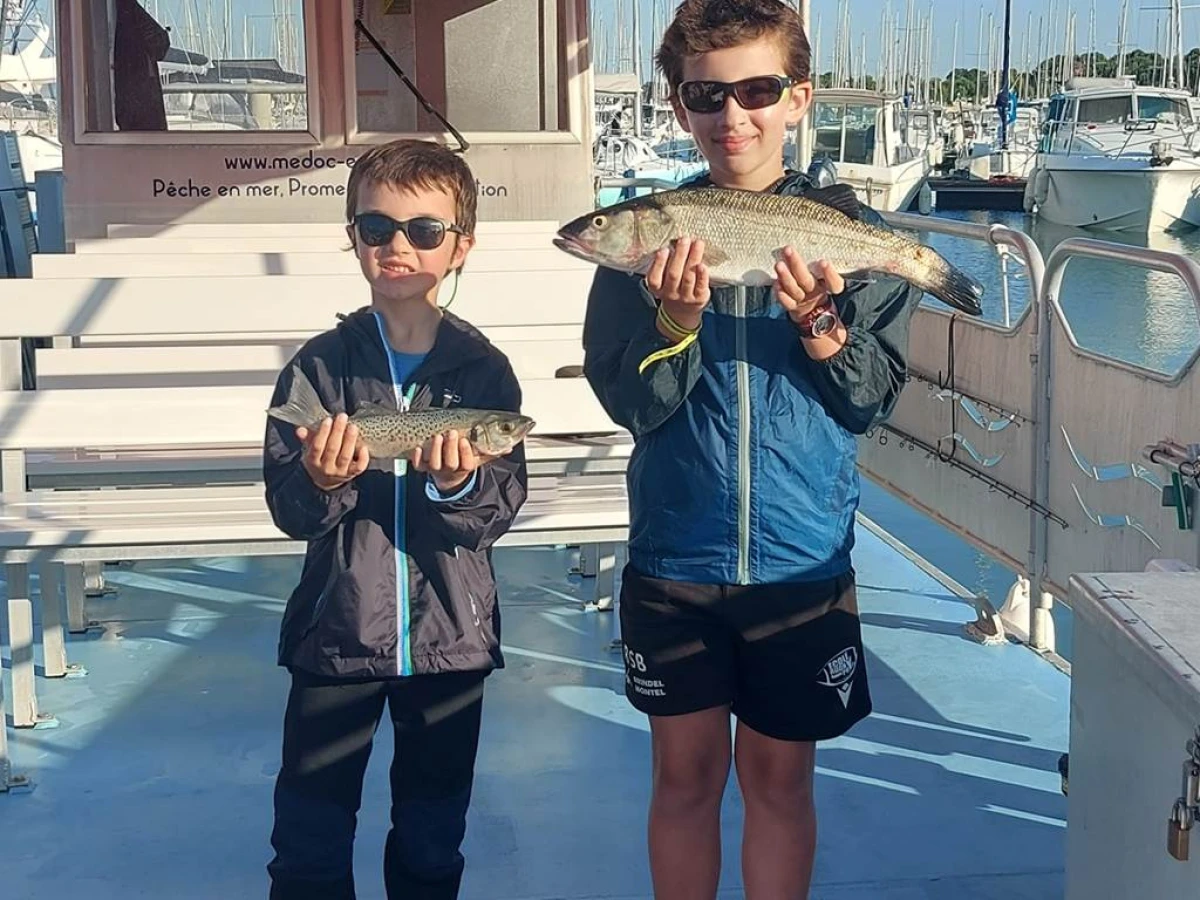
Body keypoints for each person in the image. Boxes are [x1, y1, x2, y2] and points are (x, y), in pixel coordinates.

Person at [581, 2, 921, 898]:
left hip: (801, 559)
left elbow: (869, 403)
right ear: (679, 105)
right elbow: (631, 404)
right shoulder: (643, 237)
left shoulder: (851, 233)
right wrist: (674, 320)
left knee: (779, 781)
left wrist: (818, 321)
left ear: (798, 99)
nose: (733, 115)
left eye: (758, 90)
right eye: (706, 94)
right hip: (675, 558)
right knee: (683, 780)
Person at [262, 139, 529, 900]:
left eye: (423, 230)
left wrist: (454, 487)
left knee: (432, 843)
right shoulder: (317, 368)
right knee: (308, 847)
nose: (397, 247)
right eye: (377, 228)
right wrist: (321, 480)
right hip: (335, 637)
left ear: (461, 246)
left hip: (451, 643)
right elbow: (290, 507)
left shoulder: (485, 372)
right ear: (353, 238)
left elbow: (494, 512)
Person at [113, 0, 170, 131]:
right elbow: (159, 46)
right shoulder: (131, 10)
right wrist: (164, 34)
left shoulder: (121, 12)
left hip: (130, 103)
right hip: (142, 103)